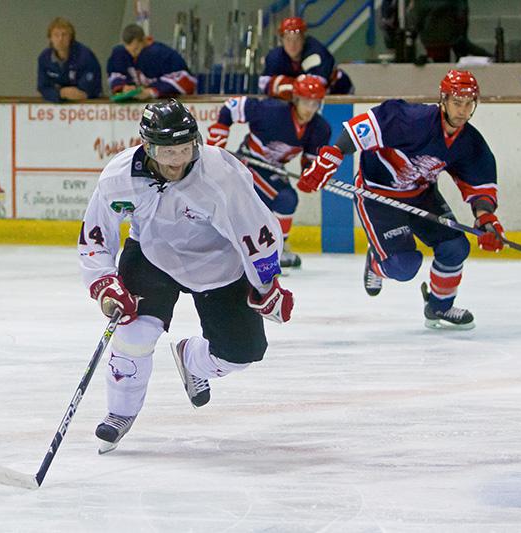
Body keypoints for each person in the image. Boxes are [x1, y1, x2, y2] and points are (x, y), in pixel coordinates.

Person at [78, 99, 294, 453]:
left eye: (184, 149)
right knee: (134, 333)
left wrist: (266, 286)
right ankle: (120, 412)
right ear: (147, 147)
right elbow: (95, 236)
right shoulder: (119, 178)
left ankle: (192, 359)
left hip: (219, 264)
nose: (177, 160)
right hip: (152, 256)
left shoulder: (221, 175)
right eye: (168, 152)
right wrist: (104, 282)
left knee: (243, 353)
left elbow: (256, 231)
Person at [297, 70, 502, 330]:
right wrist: (334, 155)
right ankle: (376, 263)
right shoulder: (413, 120)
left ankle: (439, 307)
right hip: (378, 196)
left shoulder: (469, 141)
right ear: (444, 100)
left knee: (455, 247)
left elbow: (479, 184)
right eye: (457, 102)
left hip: (422, 196)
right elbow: (365, 127)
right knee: (403, 267)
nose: (462, 110)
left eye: (468, 104)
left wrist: (485, 218)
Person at [206, 75, 332, 268]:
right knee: (277, 199)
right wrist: (219, 136)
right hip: (247, 163)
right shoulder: (271, 111)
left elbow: (309, 160)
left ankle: (276, 246)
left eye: (315, 103)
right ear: (296, 99)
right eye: (306, 102)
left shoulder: (320, 128)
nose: (310, 109)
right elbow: (232, 107)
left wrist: (310, 175)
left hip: (274, 168)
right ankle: (265, 248)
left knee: (286, 199)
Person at [259, 16, 353, 99]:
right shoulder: (275, 57)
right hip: (302, 101)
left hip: (340, 94)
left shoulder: (316, 52)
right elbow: (263, 84)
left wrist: (281, 84)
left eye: (297, 39)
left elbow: (313, 88)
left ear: (303, 39)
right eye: (288, 39)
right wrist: (295, 86)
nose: (292, 44)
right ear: (282, 41)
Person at [106, 24, 197, 100]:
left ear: (145, 41)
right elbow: (116, 76)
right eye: (129, 51)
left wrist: (152, 91)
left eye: (136, 49)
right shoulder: (120, 54)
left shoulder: (163, 54)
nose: (133, 55)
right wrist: (123, 87)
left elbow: (187, 81)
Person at [37, 17, 102, 102]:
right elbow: (42, 87)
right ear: (50, 38)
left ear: (71, 37)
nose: (60, 39)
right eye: (56, 35)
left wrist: (79, 92)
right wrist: (60, 94)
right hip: (57, 102)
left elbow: (92, 86)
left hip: (87, 102)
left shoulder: (85, 55)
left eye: (64, 35)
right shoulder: (44, 58)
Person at [406, 0, 491, 63]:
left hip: (433, 37)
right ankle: (492, 58)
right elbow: (462, 15)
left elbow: (416, 22)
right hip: (449, 36)